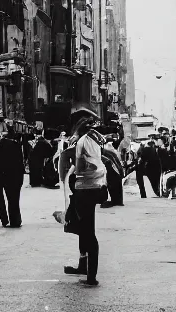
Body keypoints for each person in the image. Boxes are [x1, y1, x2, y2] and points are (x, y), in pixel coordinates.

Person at [62, 113, 107, 286]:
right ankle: (85, 268)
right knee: (86, 229)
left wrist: (74, 165)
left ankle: (91, 275)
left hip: (84, 189)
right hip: (96, 188)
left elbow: (80, 167)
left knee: (87, 232)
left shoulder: (81, 142)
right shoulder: (95, 141)